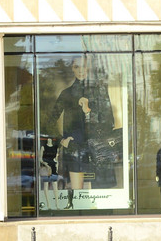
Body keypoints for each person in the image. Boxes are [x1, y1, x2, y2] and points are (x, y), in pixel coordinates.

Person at [45, 55, 115, 209]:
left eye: (83, 66)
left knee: (100, 202)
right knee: (77, 200)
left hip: (97, 150)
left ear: (88, 67)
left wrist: (89, 112)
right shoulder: (67, 93)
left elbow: (110, 122)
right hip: (75, 149)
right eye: (77, 67)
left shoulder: (99, 92)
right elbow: (50, 122)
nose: (81, 70)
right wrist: (61, 139)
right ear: (72, 68)